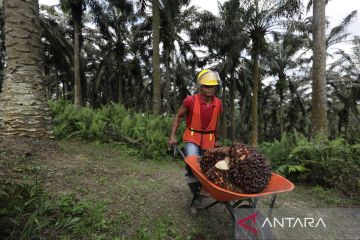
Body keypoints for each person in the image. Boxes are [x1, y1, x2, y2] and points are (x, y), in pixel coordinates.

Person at [168, 69, 223, 158]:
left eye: (212, 86)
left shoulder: (218, 103)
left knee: (205, 166)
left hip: (209, 140)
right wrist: (172, 136)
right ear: (200, 87)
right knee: (192, 161)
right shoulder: (190, 101)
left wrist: (217, 139)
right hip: (192, 137)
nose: (210, 89)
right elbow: (178, 116)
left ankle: (190, 172)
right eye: (206, 86)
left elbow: (217, 122)